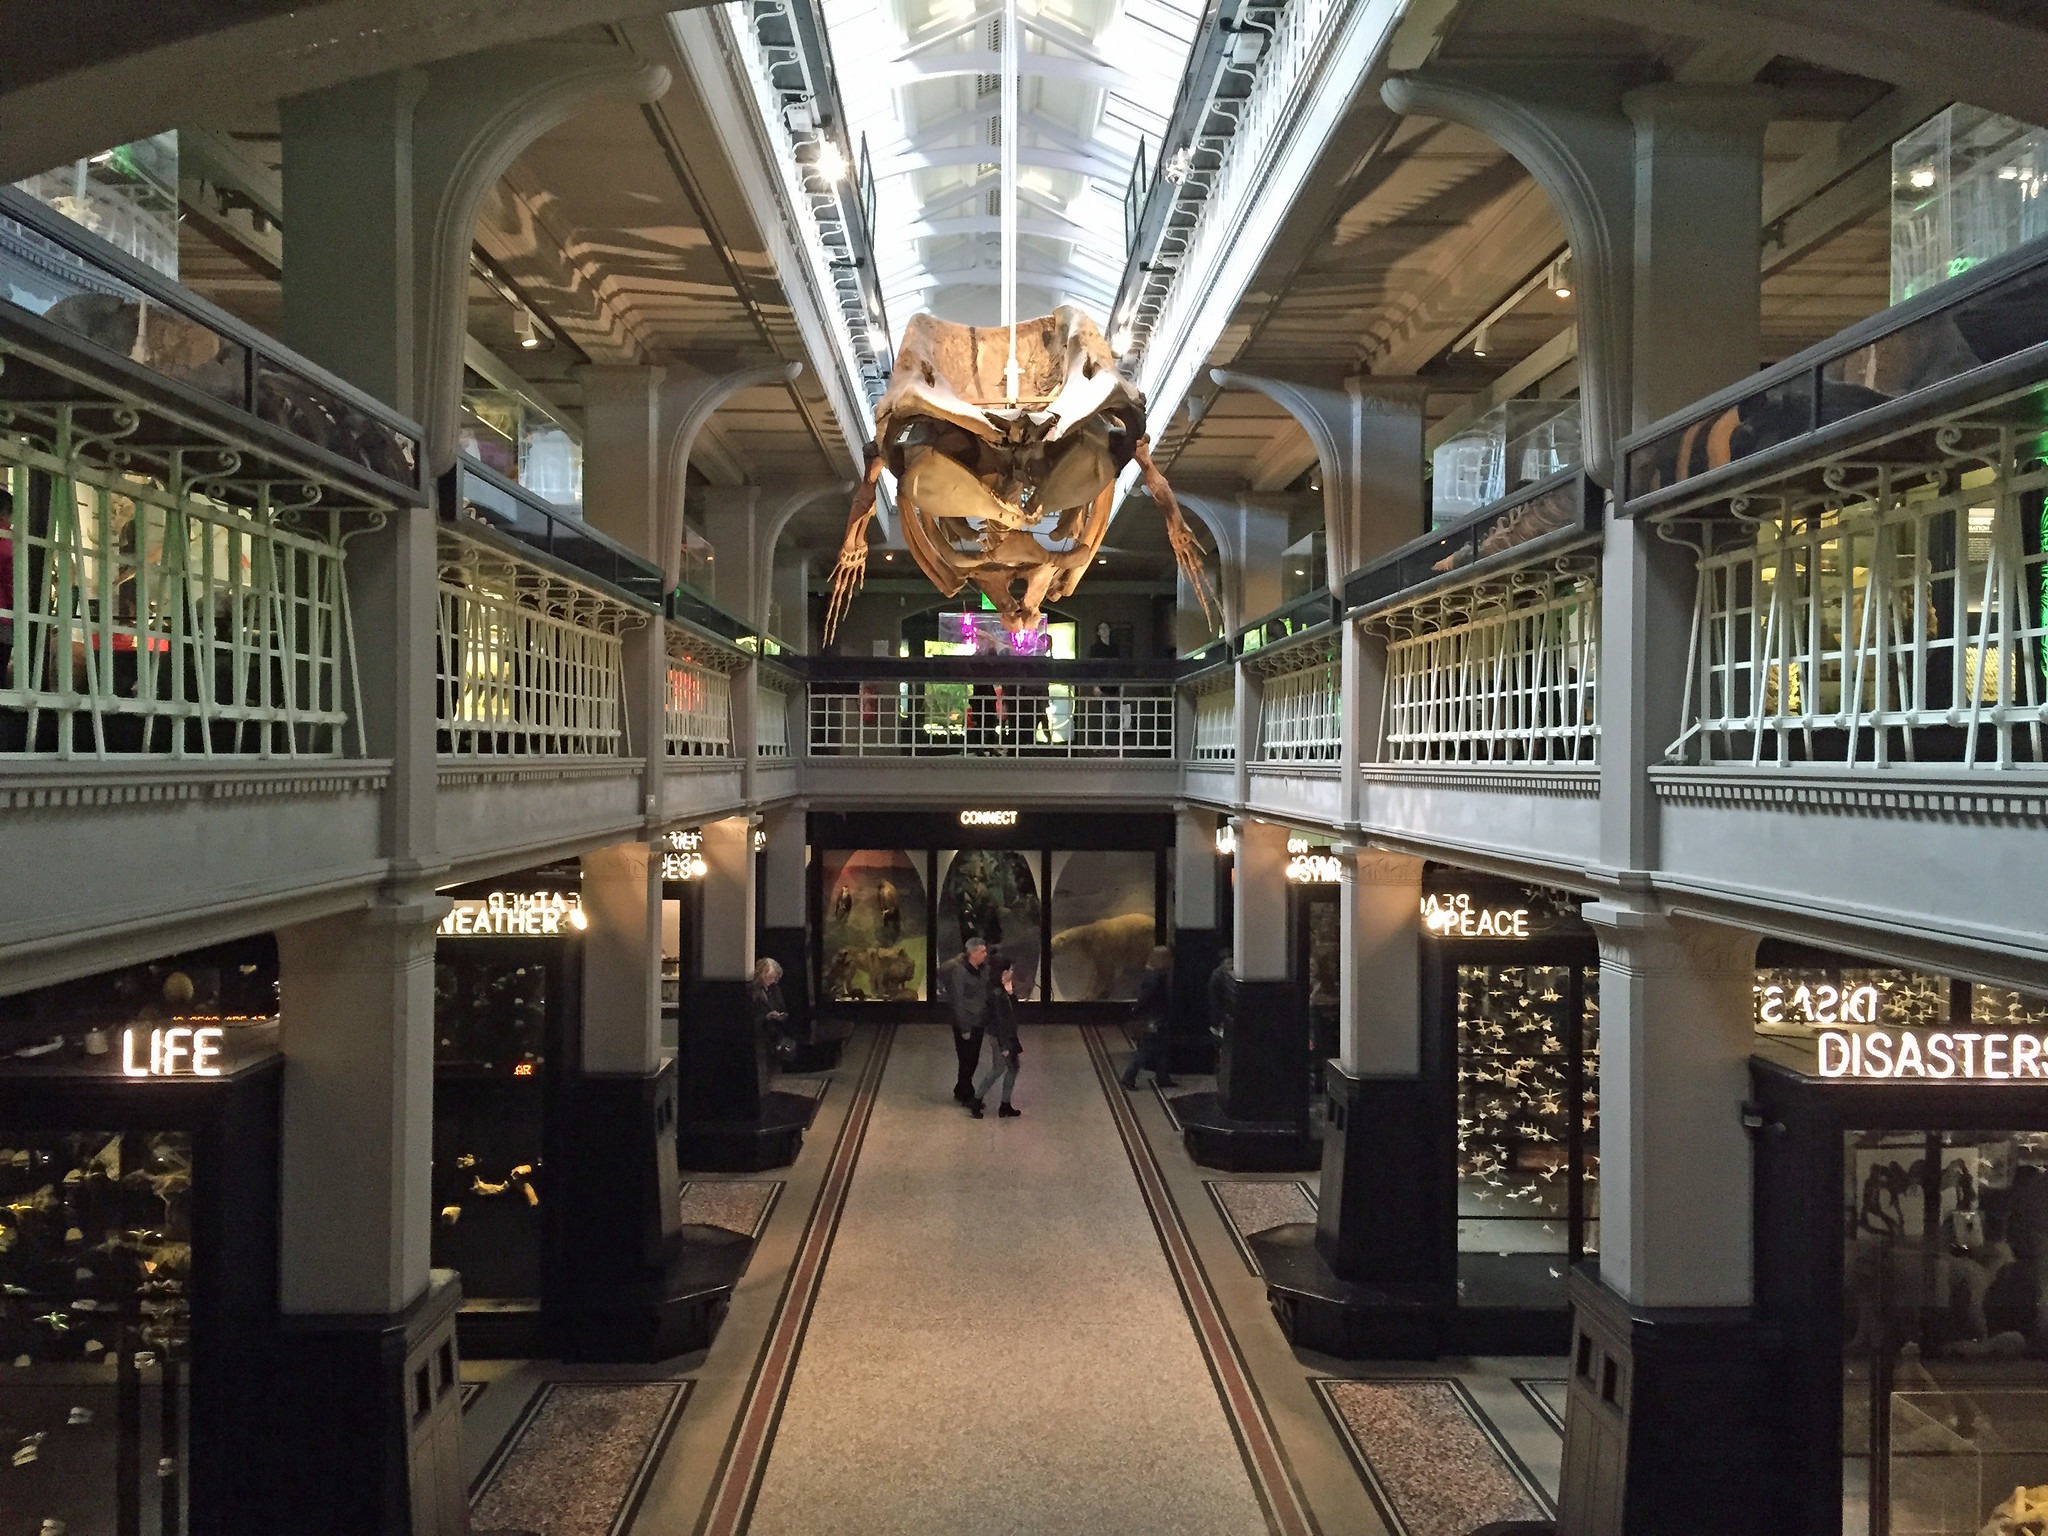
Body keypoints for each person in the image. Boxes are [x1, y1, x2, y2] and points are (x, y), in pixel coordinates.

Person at [939, 936, 991, 1103]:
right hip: (967, 1022)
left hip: (979, 1019)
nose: (985, 954)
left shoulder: (982, 969)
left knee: (973, 1057)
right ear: (973, 953)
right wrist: (964, 1028)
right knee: (966, 1058)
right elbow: (958, 1001)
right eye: (982, 951)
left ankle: (962, 1089)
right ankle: (966, 1092)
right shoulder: (960, 972)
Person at [969, 956, 1023, 1117]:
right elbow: (1000, 1020)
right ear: (1004, 972)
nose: (1013, 973)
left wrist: (1011, 992)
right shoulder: (997, 995)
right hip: (1003, 1038)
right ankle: (980, 1100)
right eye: (1011, 970)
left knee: (1006, 1068)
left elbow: (1012, 1011)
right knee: (1002, 1068)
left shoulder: (1000, 991)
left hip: (1004, 1037)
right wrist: (1005, 1046)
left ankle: (1000, 1103)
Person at [1120, 945, 1178, 1090]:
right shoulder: (1156, 979)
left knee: (1161, 1049)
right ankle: (1128, 1077)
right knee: (1146, 1050)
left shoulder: (1158, 976)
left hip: (1157, 1018)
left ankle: (1162, 1077)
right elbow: (1145, 999)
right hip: (1154, 1019)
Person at [749, 957, 792, 1059]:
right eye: (770, 978)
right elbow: (749, 1019)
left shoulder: (775, 990)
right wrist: (766, 1017)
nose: (772, 981)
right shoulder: (752, 992)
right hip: (760, 1040)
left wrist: (782, 1016)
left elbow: (782, 1008)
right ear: (761, 975)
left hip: (776, 1038)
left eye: (774, 978)